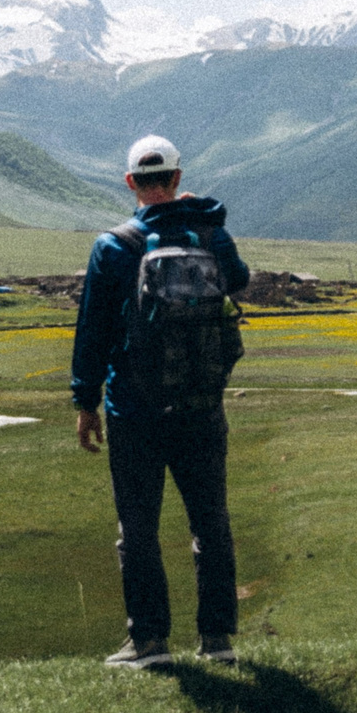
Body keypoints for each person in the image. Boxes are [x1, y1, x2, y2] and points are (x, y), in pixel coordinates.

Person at [72, 133, 252, 669]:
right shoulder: (212, 236)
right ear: (177, 178)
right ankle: (217, 640)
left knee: (139, 528)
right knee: (211, 521)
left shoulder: (114, 246)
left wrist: (86, 402)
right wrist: (202, 219)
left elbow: (93, 331)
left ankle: (148, 643)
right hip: (201, 403)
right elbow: (237, 281)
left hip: (134, 408)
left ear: (131, 183)